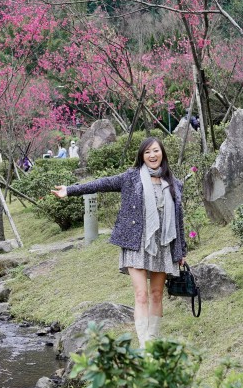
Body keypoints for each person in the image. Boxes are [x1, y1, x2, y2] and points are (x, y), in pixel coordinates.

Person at [52, 137, 188, 348]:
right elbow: (102, 183)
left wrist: (182, 251)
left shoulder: (173, 183)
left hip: (163, 244)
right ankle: (144, 345)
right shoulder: (131, 177)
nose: (152, 156)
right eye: (147, 152)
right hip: (136, 242)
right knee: (141, 294)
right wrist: (70, 190)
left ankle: (153, 341)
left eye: (156, 151)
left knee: (156, 294)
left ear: (162, 154)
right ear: (142, 156)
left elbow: (179, 221)